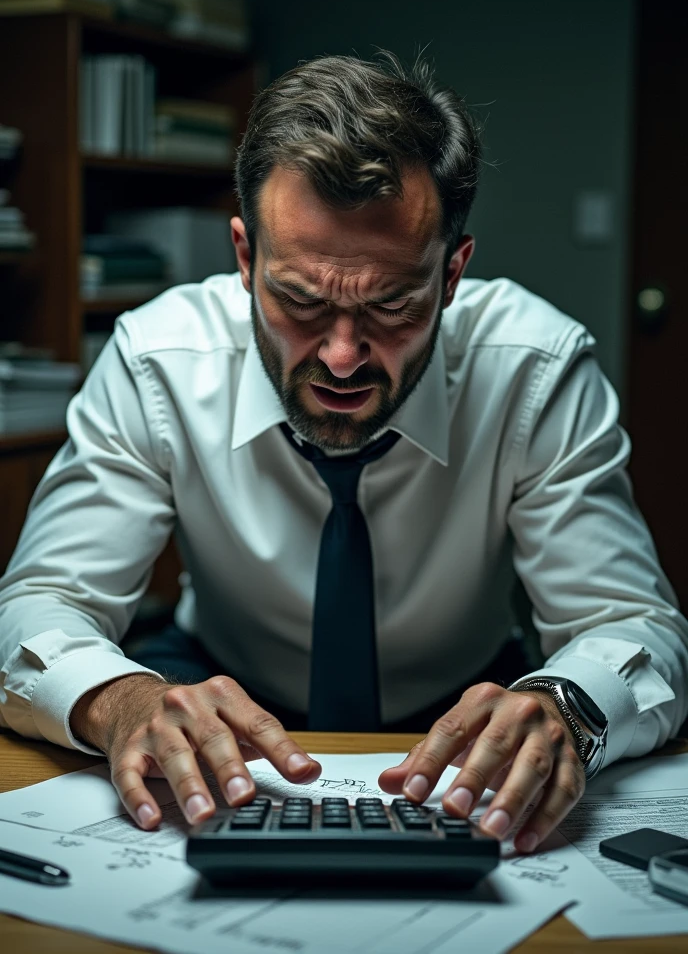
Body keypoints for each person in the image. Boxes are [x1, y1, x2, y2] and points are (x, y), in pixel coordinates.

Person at [0, 53, 686, 856]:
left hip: (463, 710)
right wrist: (121, 703)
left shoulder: (534, 367)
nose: (342, 357)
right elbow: (39, 603)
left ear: (454, 273)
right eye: (299, 299)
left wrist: (569, 706)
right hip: (213, 692)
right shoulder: (156, 360)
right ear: (245, 256)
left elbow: (632, 624)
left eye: (393, 304)